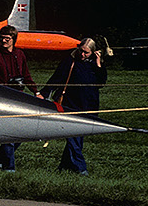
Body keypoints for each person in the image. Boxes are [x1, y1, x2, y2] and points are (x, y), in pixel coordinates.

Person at [44, 37, 107, 175]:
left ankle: (65, 166)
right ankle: (80, 167)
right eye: (81, 51)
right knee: (73, 134)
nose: (82, 54)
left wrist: (98, 64)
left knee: (78, 135)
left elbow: (101, 83)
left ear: (93, 52)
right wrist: (44, 93)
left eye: (86, 53)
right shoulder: (70, 61)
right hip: (70, 103)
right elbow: (57, 78)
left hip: (88, 104)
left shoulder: (95, 64)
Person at [0, 25, 36, 170]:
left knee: (22, 132)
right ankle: (9, 167)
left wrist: (35, 91)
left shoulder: (19, 54)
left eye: (7, 39)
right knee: (10, 132)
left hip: (18, 95)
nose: (4, 41)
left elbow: (26, 75)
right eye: (2, 38)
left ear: (14, 40)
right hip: (3, 97)